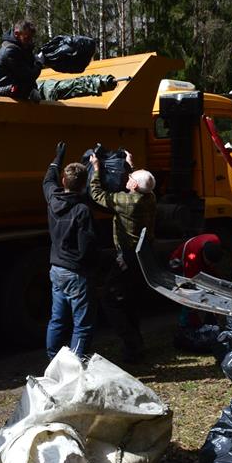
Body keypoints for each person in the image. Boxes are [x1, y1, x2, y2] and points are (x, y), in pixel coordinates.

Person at [89, 150, 157, 362]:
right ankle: (137, 343)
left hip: (127, 257)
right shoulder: (150, 197)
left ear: (134, 186)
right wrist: (129, 164)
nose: (126, 179)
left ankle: (131, 345)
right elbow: (135, 185)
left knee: (111, 300)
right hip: (142, 257)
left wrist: (97, 170)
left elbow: (98, 194)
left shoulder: (128, 202)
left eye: (129, 178)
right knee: (130, 300)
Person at [44, 141, 96, 359]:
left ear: (64, 181)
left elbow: (48, 180)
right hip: (75, 270)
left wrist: (58, 158)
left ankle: (53, 359)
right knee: (81, 323)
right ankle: (76, 364)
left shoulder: (52, 198)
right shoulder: (82, 210)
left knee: (57, 318)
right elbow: (87, 247)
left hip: (56, 268)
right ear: (85, 185)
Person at [169, 233, 223, 329]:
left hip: (199, 259)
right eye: (209, 263)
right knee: (189, 295)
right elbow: (190, 286)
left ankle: (212, 319)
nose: (212, 265)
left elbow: (215, 277)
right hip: (178, 263)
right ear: (204, 256)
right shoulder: (192, 257)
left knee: (212, 288)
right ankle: (185, 324)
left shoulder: (215, 241)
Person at [0, 19, 44, 100]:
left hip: (14, 93)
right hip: (2, 95)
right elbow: (28, 76)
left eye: (31, 38)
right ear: (16, 34)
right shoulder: (10, 51)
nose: (30, 41)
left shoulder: (22, 48)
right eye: (27, 38)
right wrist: (39, 63)